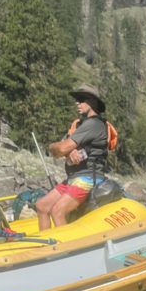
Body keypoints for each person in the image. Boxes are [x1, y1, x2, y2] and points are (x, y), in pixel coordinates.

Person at [36, 85, 110, 230]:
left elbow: (61, 148)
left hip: (88, 178)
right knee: (42, 206)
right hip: (73, 178)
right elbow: (55, 149)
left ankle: (66, 250)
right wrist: (66, 151)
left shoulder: (94, 124)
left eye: (81, 99)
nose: (77, 103)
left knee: (57, 211)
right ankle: (46, 249)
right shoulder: (79, 125)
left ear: (92, 102)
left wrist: (64, 149)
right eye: (77, 99)